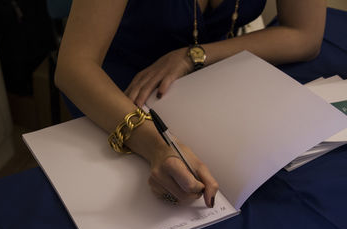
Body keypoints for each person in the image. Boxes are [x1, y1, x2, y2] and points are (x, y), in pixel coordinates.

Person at [55, 0, 326, 208]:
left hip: (211, 81)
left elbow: (305, 34)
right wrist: (156, 147)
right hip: (117, 95)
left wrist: (194, 57)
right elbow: (74, 67)